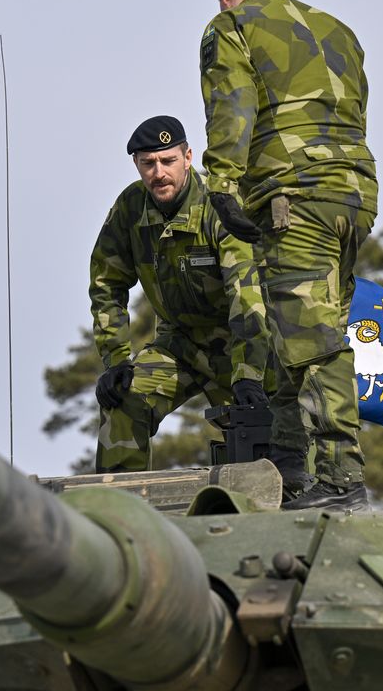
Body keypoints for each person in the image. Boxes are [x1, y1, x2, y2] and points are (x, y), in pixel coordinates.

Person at [199, 0, 377, 510]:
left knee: (314, 342)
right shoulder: (338, 30)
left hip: (291, 195)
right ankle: (293, 469)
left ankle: (341, 481)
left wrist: (222, 185)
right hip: (352, 198)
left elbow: (232, 106)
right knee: (294, 330)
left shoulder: (232, 26)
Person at [90, 115, 270, 472]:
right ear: (137, 165)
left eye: (167, 161)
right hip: (179, 346)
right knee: (123, 398)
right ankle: (122, 514)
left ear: (188, 157)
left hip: (238, 346)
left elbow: (245, 296)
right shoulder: (130, 209)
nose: (158, 173)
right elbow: (106, 282)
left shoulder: (218, 207)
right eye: (148, 163)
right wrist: (116, 359)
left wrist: (249, 373)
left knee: (275, 428)